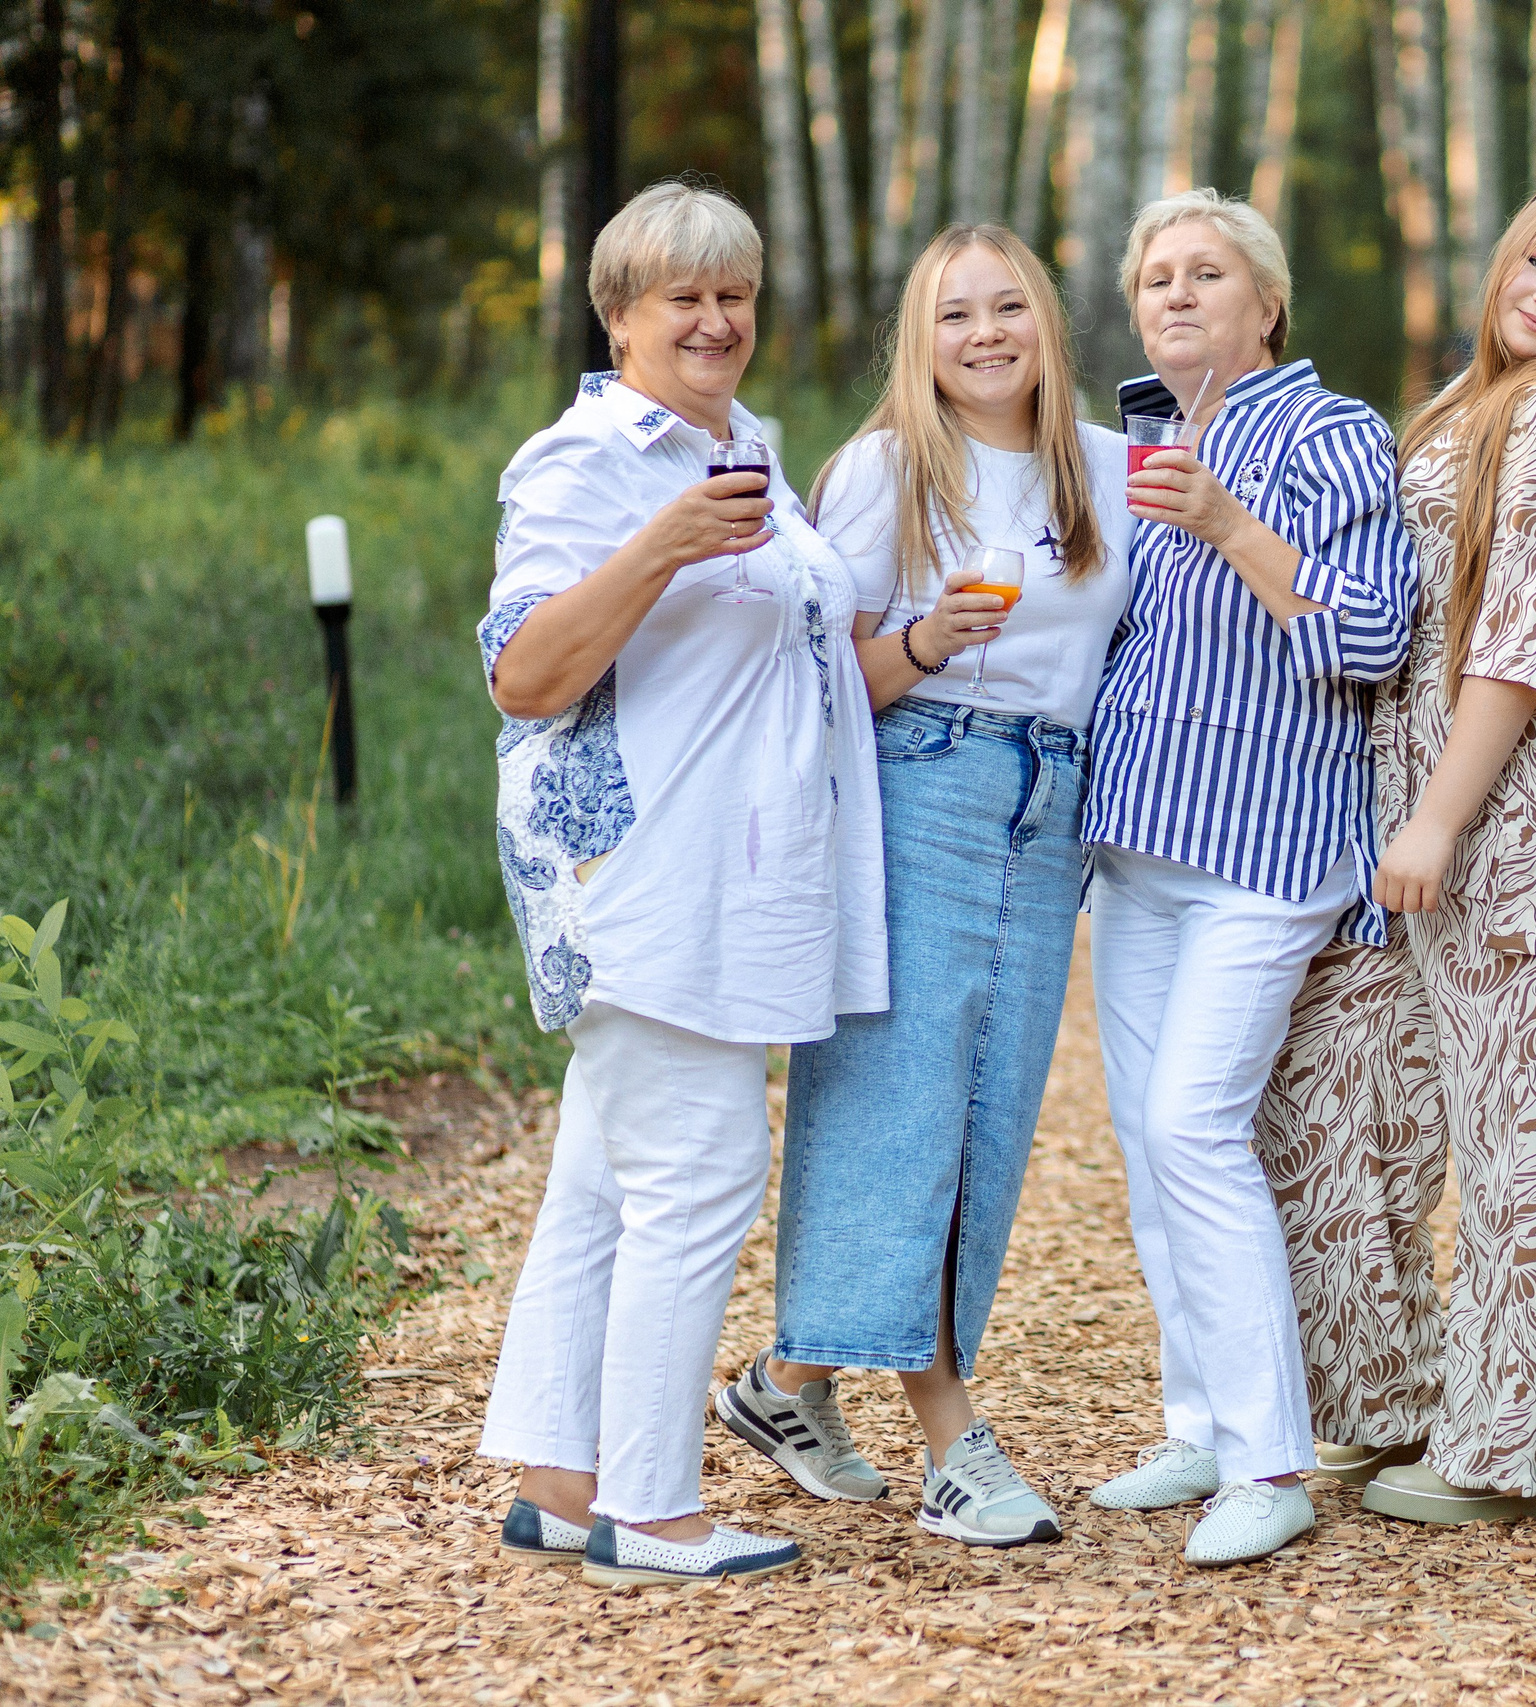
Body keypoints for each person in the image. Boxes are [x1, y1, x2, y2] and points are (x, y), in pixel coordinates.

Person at [474, 180, 887, 1587]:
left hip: (735, 868)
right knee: (703, 1173)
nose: (715, 322)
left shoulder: (746, 443)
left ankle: (559, 1479)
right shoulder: (582, 460)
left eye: (735, 295)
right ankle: (651, 1511)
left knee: (605, 1178)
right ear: (619, 316)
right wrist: (659, 544)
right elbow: (525, 674)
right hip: (646, 872)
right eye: (684, 298)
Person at [713, 224, 1130, 1549]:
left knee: (988, 1116)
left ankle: (786, 1382)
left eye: (1009, 308)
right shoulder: (885, 469)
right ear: (921, 339)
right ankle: (954, 1443)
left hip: (1050, 803)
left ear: (1047, 324)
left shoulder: (1108, 470)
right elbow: (821, 682)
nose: (986, 334)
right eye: (956, 315)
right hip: (921, 781)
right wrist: (926, 639)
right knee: (903, 1105)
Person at [1253, 160, 1536, 1526]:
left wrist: (1438, 817)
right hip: (1411, 826)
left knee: (1516, 1140)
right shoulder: (1461, 403)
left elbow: (1527, 641)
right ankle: (1385, 1402)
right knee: (1331, 1097)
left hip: (1523, 828)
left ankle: (1504, 1455)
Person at [1079, 188, 1415, 1566]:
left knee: (1194, 1130)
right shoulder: (1138, 438)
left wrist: (1227, 522)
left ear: (1266, 305)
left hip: (1264, 850)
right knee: (1148, 1143)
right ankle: (1204, 1423)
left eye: (1205, 272)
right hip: (1138, 840)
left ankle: (1271, 1465)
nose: (1174, 292)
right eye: (1155, 275)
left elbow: (1376, 633)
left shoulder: (1332, 433)